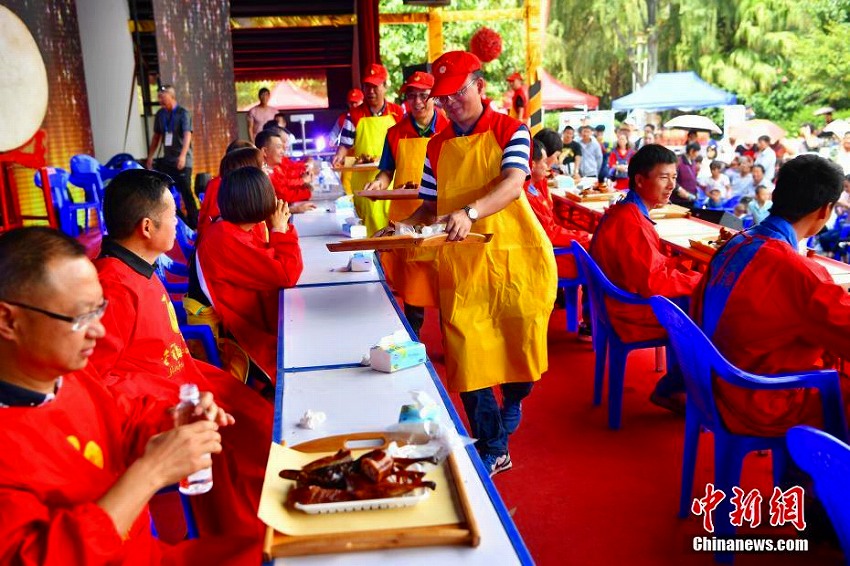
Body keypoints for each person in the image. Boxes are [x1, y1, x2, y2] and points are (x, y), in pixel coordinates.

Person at [0, 227, 260, 565]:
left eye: (99, 310)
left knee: (278, 547)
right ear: (8, 319)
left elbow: (124, 419)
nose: (99, 330)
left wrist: (176, 419)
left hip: (148, 556)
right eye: (80, 317)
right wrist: (151, 473)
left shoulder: (70, 374)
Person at [392, 51, 556, 475]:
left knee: (521, 352)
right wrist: (403, 226)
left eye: (457, 93)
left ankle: (516, 396)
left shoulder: (512, 130)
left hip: (516, 259)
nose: (449, 104)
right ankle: (493, 445)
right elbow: (429, 207)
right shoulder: (437, 146)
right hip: (462, 266)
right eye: (442, 98)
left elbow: (513, 184)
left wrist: (470, 212)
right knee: (466, 355)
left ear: (480, 87)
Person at [89, 169, 272, 543]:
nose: (179, 222)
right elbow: (96, 380)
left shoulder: (137, 266)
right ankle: (251, 536)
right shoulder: (113, 287)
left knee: (265, 417)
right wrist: (168, 405)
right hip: (164, 401)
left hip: (188, 379)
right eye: (172, 214)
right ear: (146, 227)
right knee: (242, 442)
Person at [692, 154, 850, 437]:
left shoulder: (737, 241)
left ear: (776, 193)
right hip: (755, 397)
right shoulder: (803, 275)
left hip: (707, 378)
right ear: (825, 211)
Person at [589, 144, 702, 413]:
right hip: (628, 312)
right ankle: (675, 389)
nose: (671, 185)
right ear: (640, 180)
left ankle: (680, 386)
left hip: (615, 303)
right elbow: (652, 284)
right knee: (705, 309)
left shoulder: (629, 212)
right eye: (663, 177)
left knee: (694, 288)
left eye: (674, 178)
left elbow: (650, 267)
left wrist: (685, 269)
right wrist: (699, 281)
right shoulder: (631, 222)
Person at [362, 71, 450, 337]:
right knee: (413, 281)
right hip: (407, 216)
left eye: (424, 95)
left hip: (443, 214)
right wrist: (379, 182)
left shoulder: (449, 128)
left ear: (434, 97)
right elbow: (387, 171)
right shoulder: (395, 132)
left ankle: (451, 338)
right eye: (412, 96)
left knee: (447, 279)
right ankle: (413, 337)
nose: (418, 101)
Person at [196, 166, 303, 379]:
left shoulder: (237, 228)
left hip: (259, 317)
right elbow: (286, 273)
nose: (275, 199)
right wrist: (279, 230)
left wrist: (279, 230)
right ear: (255, 199)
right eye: (269, 193)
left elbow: (274, 261)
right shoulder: (224, 237)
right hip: (245, 334)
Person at [332, 64, 404, 235]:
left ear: (385, 86)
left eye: (375, 86)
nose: (370, 91)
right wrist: (339, 156)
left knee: (394, 227)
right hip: (364, 184)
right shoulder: (354, 115)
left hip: (392, 182)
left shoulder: (397, 113)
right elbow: (345, 144)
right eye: (367, 86)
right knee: (369, 232)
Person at [145, 85, 197, 229]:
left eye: (162, 96)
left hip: (182, 160)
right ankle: (180, 222)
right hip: (167, 161)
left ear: (171, 96)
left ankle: (195, 223)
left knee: (186, 191)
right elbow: (157, 137)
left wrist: (182, 156)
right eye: (159, 96)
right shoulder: (161, 115)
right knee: (164, 191)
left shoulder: (183, 113)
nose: (160, 99)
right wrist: (150, 156)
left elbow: (188, 135)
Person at [197, 144, 264, 238]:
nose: (266, 172)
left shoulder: (246, 204)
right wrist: (278, 229)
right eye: (261, 166)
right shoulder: (225, 227)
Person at [254, 129, 315, 212]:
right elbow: (285, 196)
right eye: (279, 147)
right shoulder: (263, 175)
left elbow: (287, 182)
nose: (283, 151)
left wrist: (303, 181)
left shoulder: (273, 168)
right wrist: (309, 191)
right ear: (265, 151)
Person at [672, 142, 700, 207]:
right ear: (691, 151)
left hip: (690, 200)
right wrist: (679, 189)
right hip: (679, 201)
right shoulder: (678, 162)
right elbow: (672, 178)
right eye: (697, 152)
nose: (697, 155)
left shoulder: (693, 162)